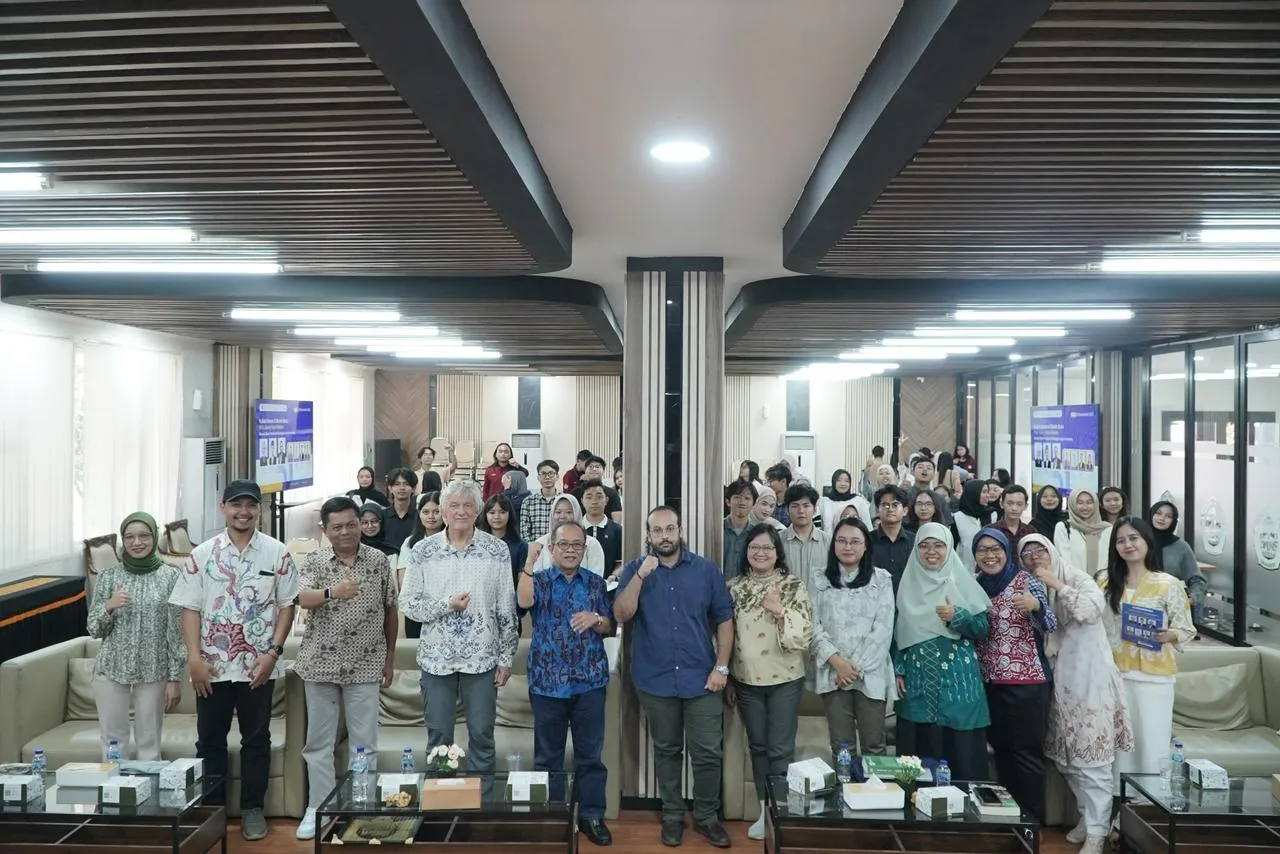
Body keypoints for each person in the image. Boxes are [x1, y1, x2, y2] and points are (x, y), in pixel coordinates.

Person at [169, 480, 299, 842]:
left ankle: (253, 808)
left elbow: (288, 605)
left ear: (259, 509)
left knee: (257, 739)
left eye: (251, 505)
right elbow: (190, 609)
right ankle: (213, 810)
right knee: (209, 740)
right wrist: (193, 659)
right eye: (236, 505)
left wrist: (273, 653)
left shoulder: (277, 553)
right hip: (211, 667)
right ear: (222, 506)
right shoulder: (202, 555)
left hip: (259, 667)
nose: (244, 512)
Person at [613, 507, 734, 849]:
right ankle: (672, 816)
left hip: (703, 678)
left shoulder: (706, 569)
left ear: (680, 530)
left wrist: (722, 668)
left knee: (708, 753)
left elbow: (724, 619)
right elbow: (621, 614)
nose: (664, 536)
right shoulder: (637, 569)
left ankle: (708, 817)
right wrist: (639, 578)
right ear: (648, 535)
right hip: (655, 679)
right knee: (667, 751)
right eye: (657, 531)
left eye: (670, 529)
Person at [399, 479, 519, 784]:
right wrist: (445, 605)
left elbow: (506, 607)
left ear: (478, 510)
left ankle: (482, 810)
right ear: (442, 510)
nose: (461, 512)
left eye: (468, 505)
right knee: (439, 737)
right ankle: (442, 809)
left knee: (481, 734)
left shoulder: (497, 550)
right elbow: (408, 604)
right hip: (436, 659)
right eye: (454, 505)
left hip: (482, 658)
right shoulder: (422, 551)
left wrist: (506, 659)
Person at [1020, 534, 1132, 854]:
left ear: (1052, 551)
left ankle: (1098, 831)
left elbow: (1090, 610)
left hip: (1091, 680)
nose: (1035, 557)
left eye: (1040, 550)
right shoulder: (1032, 587)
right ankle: (1087, 816)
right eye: (1026, 554)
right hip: (1059, 683)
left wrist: (1059, 583)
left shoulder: (1077, 577)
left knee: (1092, 760)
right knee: (1065, 759)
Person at [294, 497, 398, 840]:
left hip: (367, 662)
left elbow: (390, 611)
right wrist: (333, 591)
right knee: (318, 744)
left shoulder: (379, 561)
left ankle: (361, 806)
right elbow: (300, 598)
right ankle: (318, 807)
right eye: (336, 527)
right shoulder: (315, 560)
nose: (345, 532)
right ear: (325, 530)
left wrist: (390, 656)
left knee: (364, 743)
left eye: (351, 524)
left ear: (361, 524)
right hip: (320, 662)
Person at [517, 520, 614, 846]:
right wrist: (529, 563)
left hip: (589, 681)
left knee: (589, 755)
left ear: (584, 550)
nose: (571, 550)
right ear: (553, 548)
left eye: (577, 545)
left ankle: (591, 816)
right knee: (548, 757)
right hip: (547, 683)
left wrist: (596, 619)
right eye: (564, 545)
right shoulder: (540, 581)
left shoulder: (596, 584)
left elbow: (610, 625)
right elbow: (524, 602)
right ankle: (554, 815)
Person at [726, 524, 813, 841]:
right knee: (758, 747)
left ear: (778, 553)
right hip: (746, 680)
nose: (761, 553)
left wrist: (780, 612)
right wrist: (728, 678)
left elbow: (802, 638)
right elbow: (727, 636)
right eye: (754, 548)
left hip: (785, 680)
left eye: (768, 548)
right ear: (746, 552)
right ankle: (765, 811)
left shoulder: (792, 587)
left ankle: (780, 813)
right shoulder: (734, 587)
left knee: (779, 749)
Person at [1096, 518, 1195, 794]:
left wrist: (1170, 634)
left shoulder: (1169, 583)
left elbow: (1186, 628)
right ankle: (1116, 810)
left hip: (1155, 679)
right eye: (1120, 540)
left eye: (1133, 538)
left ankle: (1148, 811)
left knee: (1151, 744)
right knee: (1118, 747)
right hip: (1115, 675)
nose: (1127, 545)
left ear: (1147, 541)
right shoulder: (1105, 581)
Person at [892, 522, 991, 782]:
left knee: (961, 756)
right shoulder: (907, 587)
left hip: (957, 685)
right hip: (917, 683)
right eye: (923, 546)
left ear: (950, 549)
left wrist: (957, 615)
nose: (931, 551)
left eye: (938, 545)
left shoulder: (962, 581)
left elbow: (982, 628)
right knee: (918, 762)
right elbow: (898, 633)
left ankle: (963, 818)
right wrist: (899, 669)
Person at [972, 528, 1057, 824]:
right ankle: (1008, 821)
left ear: (1006, 552)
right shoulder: (975, 584)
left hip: (1028, 685)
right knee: (1003, 755)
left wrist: (1036, 606)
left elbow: (1050, 622)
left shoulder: (1025, 579)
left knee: (1026, 756)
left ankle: (1031, 823)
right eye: (982, 549)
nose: (989, 555)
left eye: (995, 549)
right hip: (991, 684)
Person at [86, 512, 184, 761]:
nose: (137, 542)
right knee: (113, 743)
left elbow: (176, 632)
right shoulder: (109, 577)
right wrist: (109, 606)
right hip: (111, 670)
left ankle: (149, 798)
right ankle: (113, 797)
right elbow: (94, 629)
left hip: (153, 670)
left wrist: (175, 677)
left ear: (154, 537)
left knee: (149, 743)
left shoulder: (170, 577)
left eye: (144, 535)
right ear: (122, 541)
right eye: (129, 537)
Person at [808, 517, 894, 761]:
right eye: (842, 541)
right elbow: (812, 626)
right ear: (833, 544)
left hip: (870, 673)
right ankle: (844, 798)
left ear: (866, 545)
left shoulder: (881, 579)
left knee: (874, 746)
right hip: (833, 672)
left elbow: (884, 628)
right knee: (842, 749)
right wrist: (838, 663)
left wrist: (853, 668)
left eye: (855, 542)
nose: (848, 547)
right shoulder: (819, 579)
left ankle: (877, 799)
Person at [397, 492, 442, 640]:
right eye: (426, 512)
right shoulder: (410, 543)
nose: (431, 516)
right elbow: (403, 579)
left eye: (437, 512)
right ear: (419, 514)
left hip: (444, 606)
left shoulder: (451, 542)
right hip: (417, 607)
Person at [1147, 500, 1208, 609]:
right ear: (1151, 514)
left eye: (1168, 516)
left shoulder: (1180, 546)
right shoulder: (1138, 541)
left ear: (1174, 521)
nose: (1162, 518)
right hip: (1139, 605)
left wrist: (1190, 600)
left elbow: (1197, 581)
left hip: (1170, 606)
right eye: (1158, 513)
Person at [527, 493, 606, 575]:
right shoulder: (541, 543)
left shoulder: (592, 544)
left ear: (577, 514)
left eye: (569, 512)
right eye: (558, 512)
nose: (563, 516)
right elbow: (535, 577)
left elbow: (596, 578)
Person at [477, 493, 530, 591]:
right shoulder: (477, 543)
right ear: (485, 515)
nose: (497, 517)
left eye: (502, 512)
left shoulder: (521, 546)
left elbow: (522, 584)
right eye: (492, 512)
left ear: (509, 514)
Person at [1055, 489, 1112, 576]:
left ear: (1096, 504)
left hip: (1103, 585)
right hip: (1074, 585)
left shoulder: (1107, 529)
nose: (1085, 507)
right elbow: (1065, 562)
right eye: (1080, 503)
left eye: (1089, 502)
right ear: (1072, 504)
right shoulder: (1063, 527)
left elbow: (1110, 561)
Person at [869, 485, 916, 591]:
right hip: (874, 600)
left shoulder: (915, 541)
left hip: (906, 601)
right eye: (885, 505)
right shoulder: (866, 540)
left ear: (905, 511)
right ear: (877, 510)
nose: (890, 509)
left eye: (895, 505)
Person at [782, 483, 830, 580]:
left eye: (806, 506)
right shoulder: (778, 540)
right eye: (795, 506)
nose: (801, 511)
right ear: (787, 510)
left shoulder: (828, 541)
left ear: (815, 509)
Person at [580, 479, 622, 575]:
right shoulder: (575, 530)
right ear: (582, 501)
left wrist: (614, 575)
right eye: (589, 497)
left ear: (606, 500)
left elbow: (620, 563)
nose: (594, 501)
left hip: (608, 585)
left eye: (599, 497)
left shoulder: (617, 530)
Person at [954, 479, 995, 570]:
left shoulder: (992, 515)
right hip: (964, 571)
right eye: (984, 492)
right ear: (973, 494)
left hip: (989, 569)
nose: (988, 495)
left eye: (988, 492)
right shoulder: (957, 518)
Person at [520, 459, 562, 543]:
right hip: (536, 550)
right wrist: (532, 547)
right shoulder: (528, 502)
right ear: (538, 477)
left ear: (557, 476)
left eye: (551, 473)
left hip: (560, 548)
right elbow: (524, 531)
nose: (547, 477)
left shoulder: (564, 500)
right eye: (543, 474)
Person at [724, 479, 757, 581]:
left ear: (754, 504)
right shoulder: (716, 529)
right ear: (728, 501)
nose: (742, 502)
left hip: (747, 592)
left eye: (747, 498)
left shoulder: (757, 533)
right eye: (737, 497)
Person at [381, 467, 419, 551]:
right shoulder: (381, 516)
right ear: (390, 488)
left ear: (413, 488)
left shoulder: (420, 516)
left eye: (406, 484)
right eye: (397, 484)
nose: (402, 488)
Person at [992, 485, 1035, 550]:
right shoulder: (991, 530)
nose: (1014, 508)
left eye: (1019, 504)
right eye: (1010, 503)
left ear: (1026, 506)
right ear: (1001, 504)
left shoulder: (1031, 531)